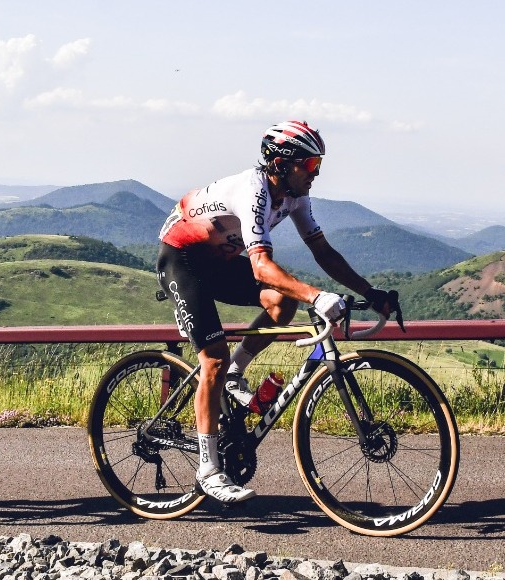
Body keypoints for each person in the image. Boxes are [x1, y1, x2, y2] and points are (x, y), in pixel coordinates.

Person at [155, 120, 396, 503]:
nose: (317, 173)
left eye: (319, 165)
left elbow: (324, 252)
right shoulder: (254, 193)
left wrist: (371, 291)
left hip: (220, 261)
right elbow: (262, 267)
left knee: (281, 304)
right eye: (311, 165)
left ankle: (237, 369)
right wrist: (316, 296)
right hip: (183, 260)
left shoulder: (296, 198)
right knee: (212, 359)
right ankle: (208, 469)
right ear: (283, 163)